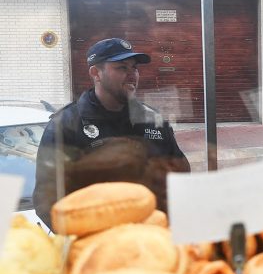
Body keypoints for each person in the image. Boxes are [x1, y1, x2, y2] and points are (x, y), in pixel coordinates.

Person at [33, 38, 190, 228]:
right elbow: (47, 202)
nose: (132, 75)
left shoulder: (151, 119)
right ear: (95, 73)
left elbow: (180, 176)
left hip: (151, 238)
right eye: (122, 68)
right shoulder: (66, 125)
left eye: (135, 68)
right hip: (101, 242)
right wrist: (91, 240)